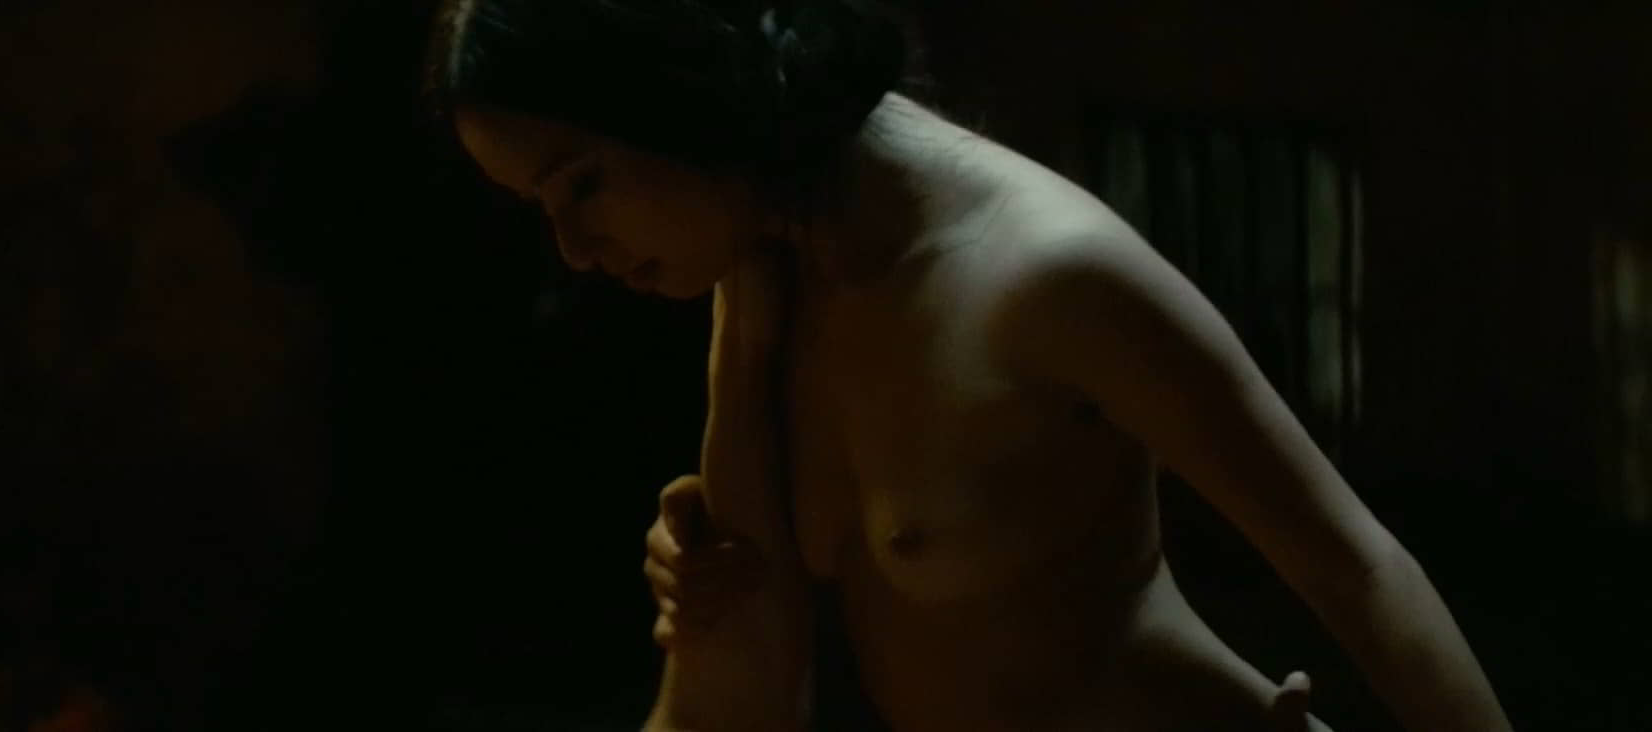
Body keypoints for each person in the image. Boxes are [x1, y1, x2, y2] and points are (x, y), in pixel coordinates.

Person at [425, 1, 1514, 730]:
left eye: (582, 184)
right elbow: (732, 697)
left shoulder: (1044, 272)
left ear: (669, 89)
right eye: (540, 208)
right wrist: (702, 591)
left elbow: (1352, 564)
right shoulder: (758, 285)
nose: (573, 250)